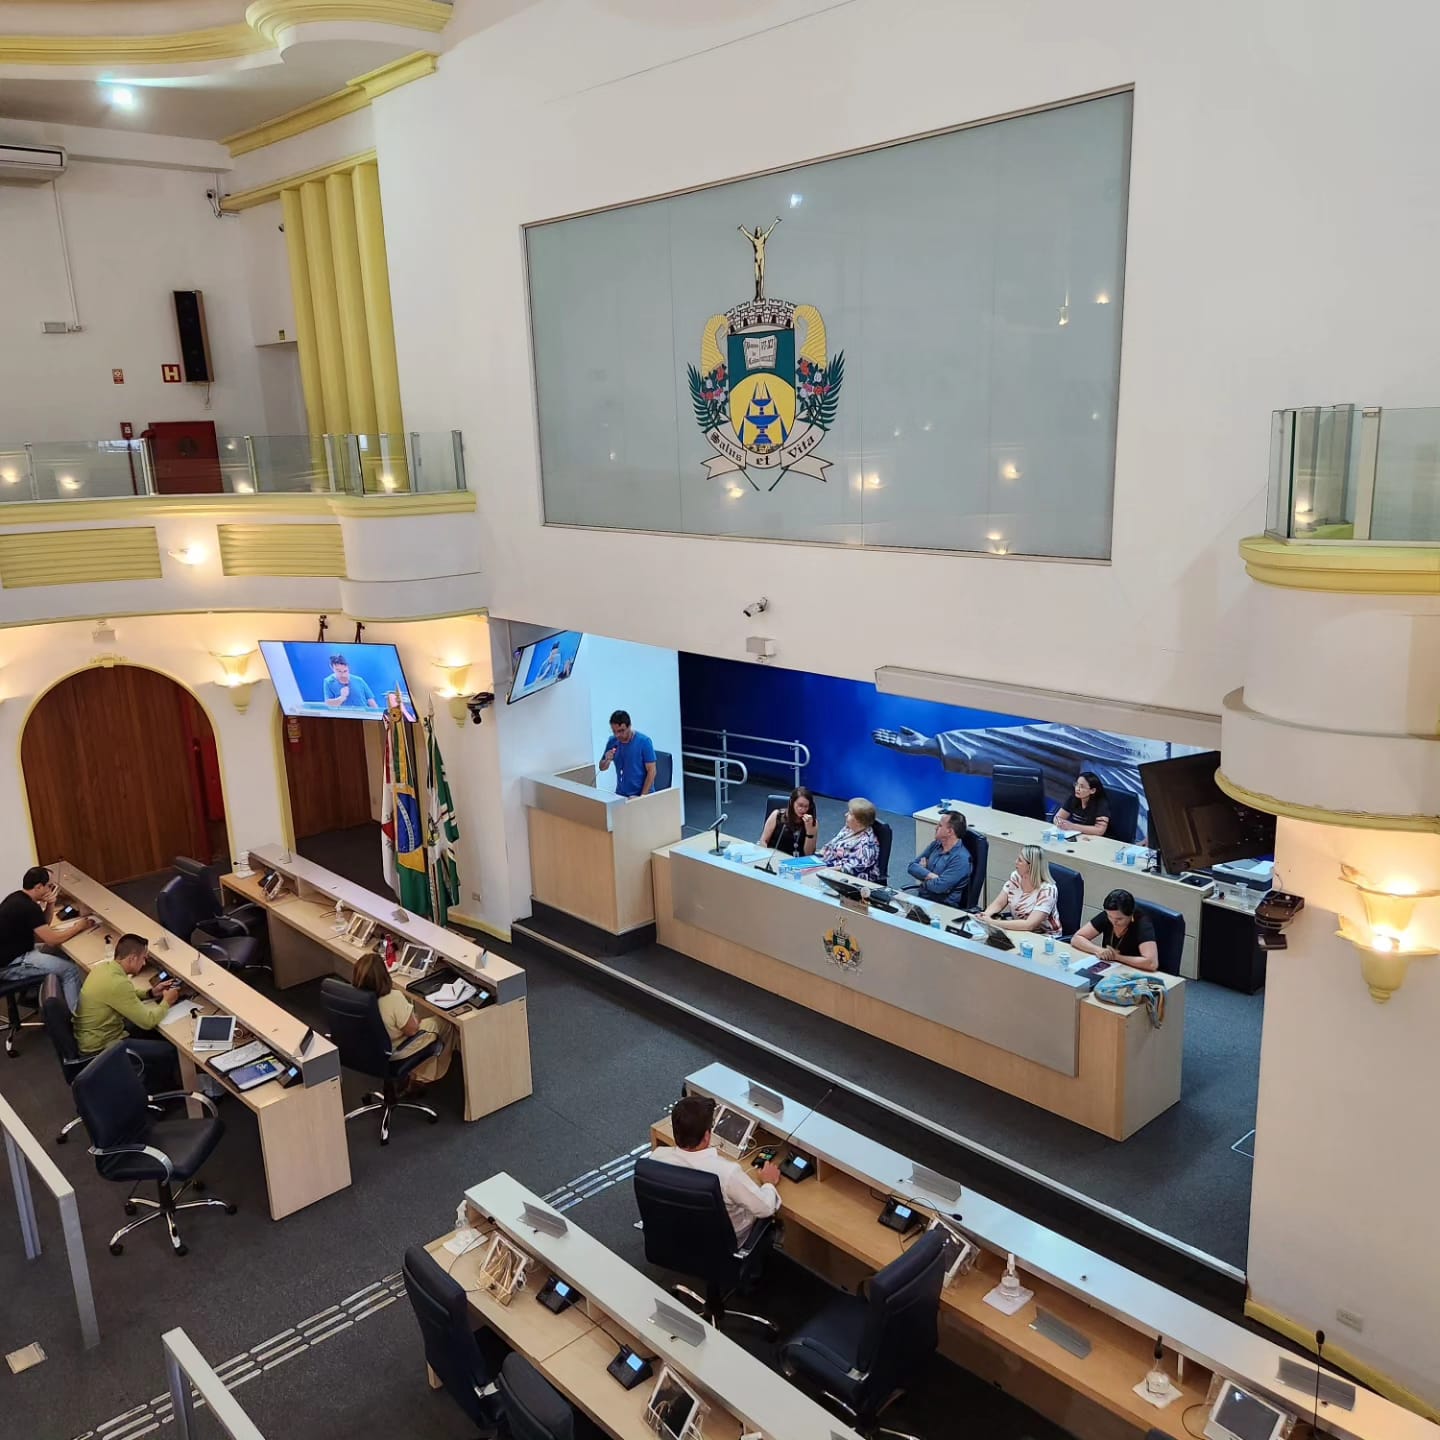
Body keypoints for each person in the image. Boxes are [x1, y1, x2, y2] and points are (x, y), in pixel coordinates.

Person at [649, 1094, 780, 1246]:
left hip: (678, 1236)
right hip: (724, 1244)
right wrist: (768, 1183)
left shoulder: (657, 1157)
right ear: (706, 1136)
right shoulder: (727, 1173)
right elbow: (765, 1208)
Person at [72, 932, 182, 1090]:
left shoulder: (104, 969)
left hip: (92, 1038)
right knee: (170, 1050)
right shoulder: (117, 983)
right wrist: (167, 1001)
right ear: (132, 958)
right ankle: (159, 1092)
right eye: (143, 958)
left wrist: (150, 993)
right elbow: (148, 1021)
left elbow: (123, 994)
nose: (144, 963)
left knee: (151, 1035)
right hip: (103, 1049)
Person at [353, 947, 455, 1087]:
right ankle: (428, 1075)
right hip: (395, 1051)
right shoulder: (392, 998)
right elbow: (412, 1031)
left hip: (371, 1049)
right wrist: (414, 1018)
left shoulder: (354, 997)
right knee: (443, 1023)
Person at [0, 866, 91, 1011]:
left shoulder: (17, 898)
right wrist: (79, 927)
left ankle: (47, 996)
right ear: (38, 887)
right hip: (12, 964)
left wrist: (51, 903)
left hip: (16, 952)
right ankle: (78, 1017)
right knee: (70, 970)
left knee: (62, 953)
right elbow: (52, 940)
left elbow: (44, 924)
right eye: (49, 886)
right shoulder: (28, 907)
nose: (51, 889)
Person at [1070, 888, 1159, 971]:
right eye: (1110, 916)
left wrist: (1117, 957)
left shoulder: (1142, 923)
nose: (1114, 921)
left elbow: (1151, 963)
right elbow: (1076, 938)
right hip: (1110, 967)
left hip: (1133, 970)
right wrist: (1098, 950)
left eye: (1119, 919)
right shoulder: (1110, 914)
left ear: (1131, 914)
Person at [981, 844, 1061, 934]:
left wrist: (993, 922)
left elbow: (1029, 925)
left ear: (1030, 866)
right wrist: (985, 916)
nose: (1015, 862)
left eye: (1020, 860)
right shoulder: (1016, 877)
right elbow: (999, 904)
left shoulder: (1048, 891)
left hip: (1044, 936)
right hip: (1018, 930)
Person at [905, 809, 972, 906]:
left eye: (940, 825)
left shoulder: (961, 859)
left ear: (949, 831)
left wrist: (923, 874)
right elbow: (912, 867)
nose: (936, 828)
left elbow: (939, 887)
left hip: (942, 906)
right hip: (922, 899)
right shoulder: (936, 845)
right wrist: (932, 876)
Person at [598, 709, 657, 799]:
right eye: (614, 731)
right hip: (621, 795)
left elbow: (652, 771)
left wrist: (642, 797)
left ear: (629, 726)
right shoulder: (612, 741)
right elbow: (602, 768)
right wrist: (607, 760)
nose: (617, 735)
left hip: (642, 794)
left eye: (621, 731)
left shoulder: (644, 742)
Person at [818, 798, 881, 881]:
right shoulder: (848, 829)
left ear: (859, 821)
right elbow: (831, 845)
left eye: (850, 814)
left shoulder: (866, 845)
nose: (846, 814)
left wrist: (820, 871)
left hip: (843, 878)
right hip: (826, 864)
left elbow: (850, 869)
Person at [759, 786, 818, 857]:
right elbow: (763, 841)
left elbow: (808, 854)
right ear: (791, 802)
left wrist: (809, 831)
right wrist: (766, 856)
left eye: (806, 806)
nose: (802, 809)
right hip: (774, 856)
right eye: (800, 805)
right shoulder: (777, 815)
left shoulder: (812, 823)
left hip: (797, 860)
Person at [1053, 771, 1111, 836]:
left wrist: (1073, 826)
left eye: (1082, 787)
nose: (1077, 789)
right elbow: (1057, 817)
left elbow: (1100, 831)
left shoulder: (1101, 804)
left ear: (1092, 790)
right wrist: (1060, 823)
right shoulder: (1074, 798)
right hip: (1076, 835)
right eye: (1076, 784)